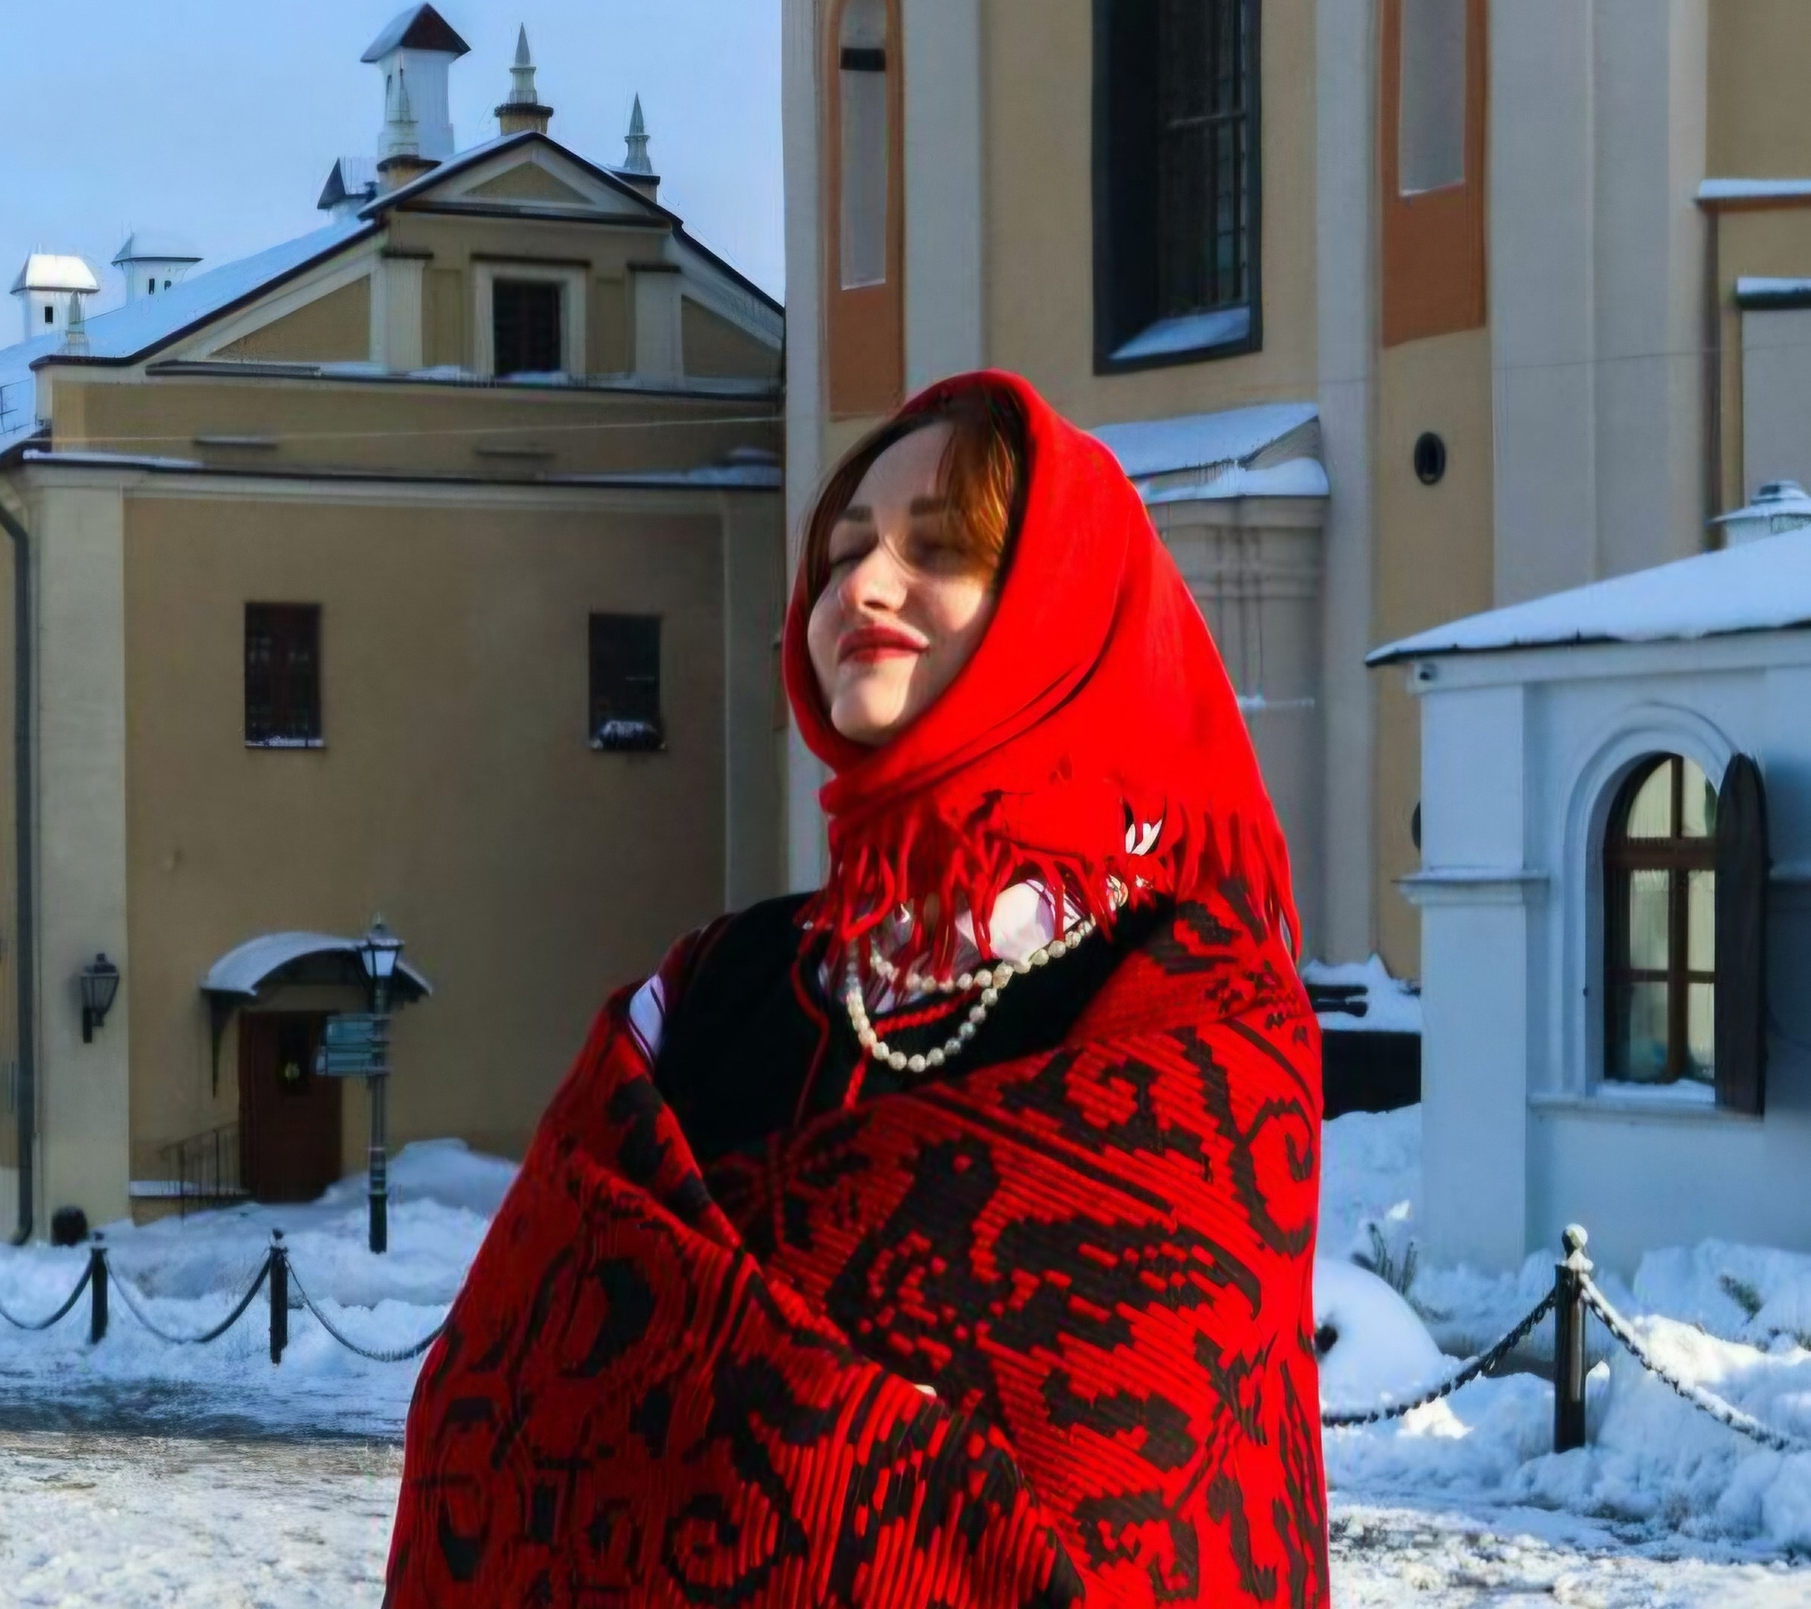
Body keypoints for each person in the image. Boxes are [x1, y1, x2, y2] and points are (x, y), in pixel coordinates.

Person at [383, 374, 1327, 1607]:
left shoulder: (1189, 1010)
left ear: (1062, 607)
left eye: (935, 549)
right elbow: (501, 1400)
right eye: (838, 554)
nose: (860, 587)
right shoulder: (715, 983)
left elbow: (1167, 1510)